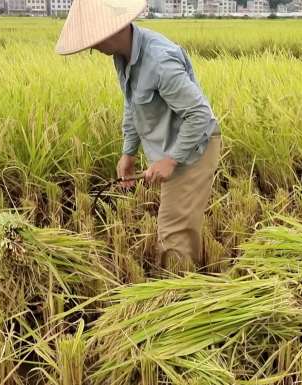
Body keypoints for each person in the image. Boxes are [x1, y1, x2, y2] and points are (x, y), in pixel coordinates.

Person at [55, 0, 221, 273]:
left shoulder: (159, 60)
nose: (94, 48)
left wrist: (171, 159)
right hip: (174, 146)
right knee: (179, 224)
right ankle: (191, 280)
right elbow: (132, 104)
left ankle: (178, 296)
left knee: (172, 231)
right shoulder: (122, 56)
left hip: (194, 148)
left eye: (95, 40)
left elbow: (200, 114)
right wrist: (128, 153)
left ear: (113, 30)